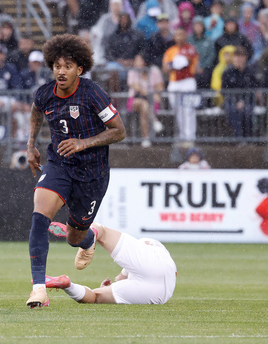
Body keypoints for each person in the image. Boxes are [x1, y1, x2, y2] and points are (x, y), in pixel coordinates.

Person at [25, 34, 126, 308]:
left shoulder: (92, 93)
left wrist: (84, 143)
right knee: (39, 216)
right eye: (57, 65)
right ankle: (38, 289)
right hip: (59, 163)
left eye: (67, 66)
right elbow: (36, 112)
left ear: (79, 69)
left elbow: (120, 131)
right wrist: (31, 144)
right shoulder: (45, 93)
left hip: (92, 174)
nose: (61, 71)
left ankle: (88, 238)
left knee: (74, 237)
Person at [43, 221, 177, 305]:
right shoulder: (146, 252)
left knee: (101, 230)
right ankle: (67, 285)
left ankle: (85, 236)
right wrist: (105, 289)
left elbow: (121, 278)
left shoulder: (143, 249)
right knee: (95, 297)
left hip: (158, 272)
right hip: (159, 293)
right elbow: (119, 279)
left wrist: (107, 288)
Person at [162, 27, 199, 147]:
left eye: (182, 34)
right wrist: (174, 63)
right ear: (174, 37)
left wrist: (174, 63)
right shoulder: (170, 51)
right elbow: (166, 68)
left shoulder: (191, 49)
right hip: (174, 82)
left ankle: (190, 137)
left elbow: (186, 61)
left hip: (188, 80)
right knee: (178, 110)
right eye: (177, 35)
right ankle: (182, 136)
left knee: (188, 110)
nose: (179, 37)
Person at [126, 54, 164, 148]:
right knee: (143, 103)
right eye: (136, 60)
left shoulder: (154, 71)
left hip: (150, 102)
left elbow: (160, 87)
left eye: (139, 60)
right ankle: (155, 121)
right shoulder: (132, 72)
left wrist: (156, 93)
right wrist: (151, 93)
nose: (137, 63)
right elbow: (136, 87)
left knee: (144, 108)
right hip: (135, 99)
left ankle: (145, 138)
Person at [222, 46, 259, 138]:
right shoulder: (227, 72)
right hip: (231, 101)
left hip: (248, 101)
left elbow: (253, 89)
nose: (239, 59)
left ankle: (248, 138)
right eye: (237, 56)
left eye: (241, 56)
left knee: (247, 112)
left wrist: (243, 101)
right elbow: (224, 90)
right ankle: (238, 138)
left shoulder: (250, 72)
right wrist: (236, 101)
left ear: (245, 58)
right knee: (233, 111)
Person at [188, 16, 216, 89]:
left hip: (205, 69)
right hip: (191, 69)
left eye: (200, 25)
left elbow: (211, 55)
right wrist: (194, 66)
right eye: (196, 25)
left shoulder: (209, 40)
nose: (198, 27)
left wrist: (203, 66)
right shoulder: (189, 40)